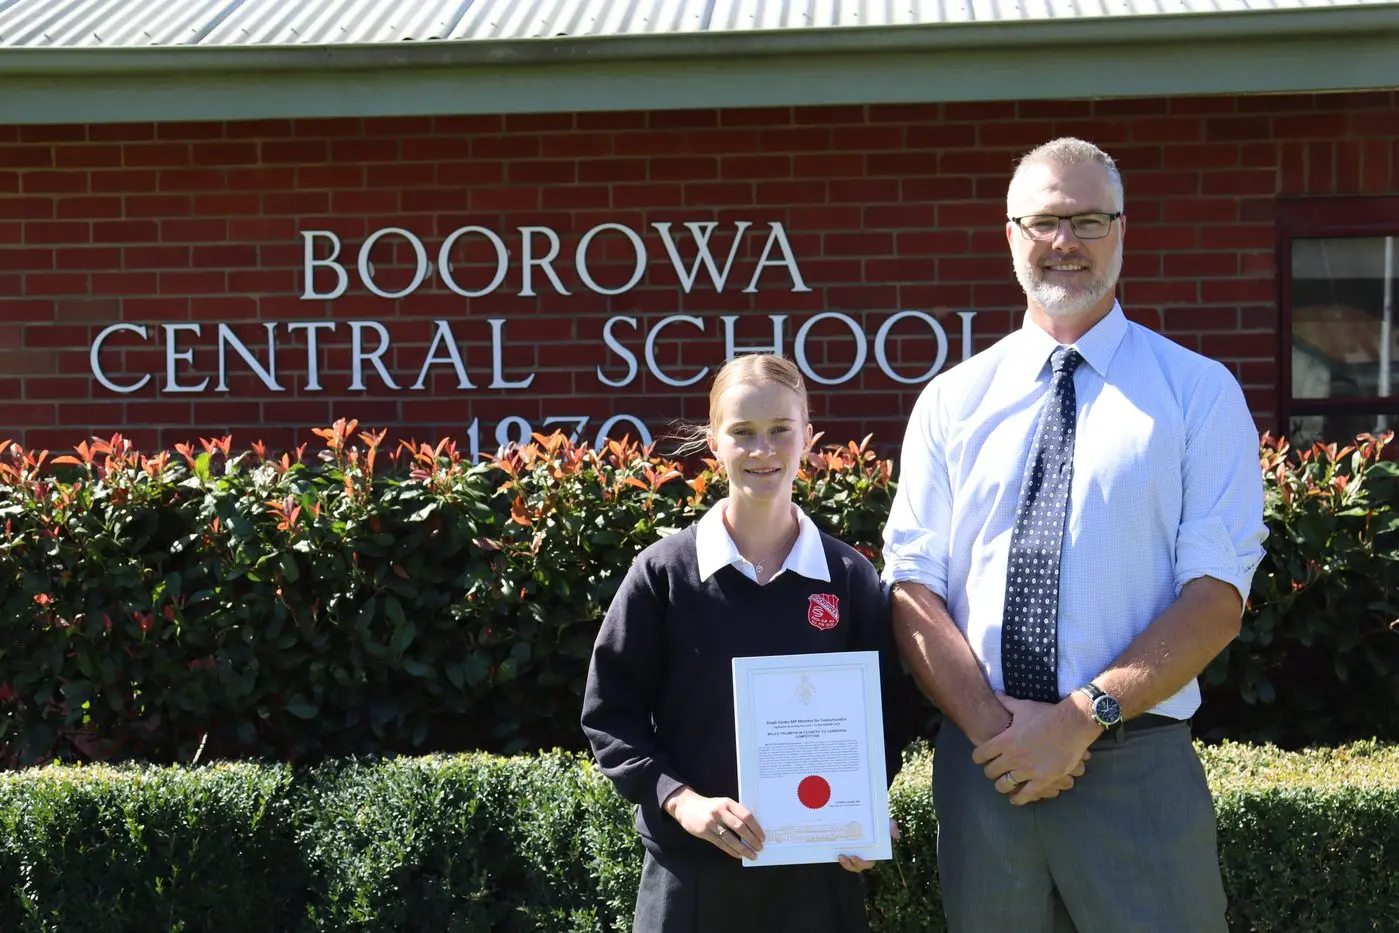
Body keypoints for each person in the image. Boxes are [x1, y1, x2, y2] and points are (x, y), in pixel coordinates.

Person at [881, 137, 1267, 932]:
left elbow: (1215, 598)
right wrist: (1003, 733)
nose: (1065, 241)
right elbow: (911, 589)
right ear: (1010, 234)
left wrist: (1076, 720)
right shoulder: (951, 401)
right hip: (985, 769)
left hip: (1135, 767)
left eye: (1089, 220)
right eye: (1045, 221)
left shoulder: (1197, 392)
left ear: (1122, 231)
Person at [581, 353, 908, 933]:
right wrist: (681, 801)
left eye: (780, 429)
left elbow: (888, 713)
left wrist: (864, 811)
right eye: (743, 432)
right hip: (691, 884)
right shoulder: (664, 574)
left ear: (807, 436)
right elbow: (611, 714)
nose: (763, 450)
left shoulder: (849, 577)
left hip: (817, 884)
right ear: (714, 442)